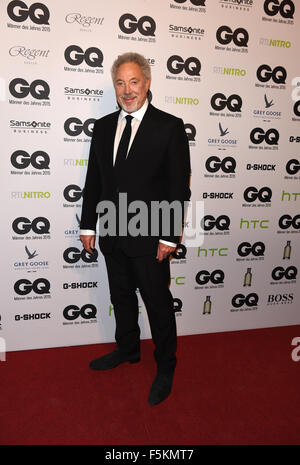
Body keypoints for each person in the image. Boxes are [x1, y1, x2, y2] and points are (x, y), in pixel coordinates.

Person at [80, 52, 190, 405]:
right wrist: (87, 225)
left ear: (147, 82)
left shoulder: (169, 126)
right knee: (120, 298)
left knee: (158, 304)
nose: (127, 90)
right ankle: (127, 349)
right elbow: (94, 180)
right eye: (120, 83)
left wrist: (170, 235)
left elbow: (177, 187)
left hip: (150, 234)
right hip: (112, 230)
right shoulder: (103, 126)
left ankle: (166, 365)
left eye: (133, 82)